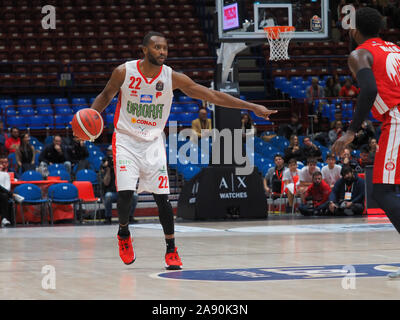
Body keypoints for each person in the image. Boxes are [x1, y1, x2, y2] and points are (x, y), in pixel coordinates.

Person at [88, 31, 277, 269]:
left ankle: (171, 249)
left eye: (165, 48)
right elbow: (105, 95)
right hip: (125, 139)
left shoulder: (172, 78)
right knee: (125, 194)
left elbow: (211, 95)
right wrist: (90, 118)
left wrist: (251, 107)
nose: (162, 52)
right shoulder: (124, 72)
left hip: (153, 141)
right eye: (157, 47)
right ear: (144, 49)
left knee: (162, 199)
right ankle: (123, 233)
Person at [331, 7, 400, 278]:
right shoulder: (395, 48)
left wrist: (350, 131)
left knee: (382, 192)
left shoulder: (359, 54)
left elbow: (369, 89)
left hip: (396, 117)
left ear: (354, 30)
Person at [100, 146, 137, 225]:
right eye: (110, 152)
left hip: (124, 190)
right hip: (113, 192)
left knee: (135, 195)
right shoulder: (106, 164)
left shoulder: (124, 164)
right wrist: (109, 170)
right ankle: (108, 217)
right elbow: (106, 182)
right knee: (108, 196)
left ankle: (130, 216)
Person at [0, 156, 24, 227]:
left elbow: (7, 188)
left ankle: (4, 219)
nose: (3, 164)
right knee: (4, 195)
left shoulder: (6, 173)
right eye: (1, 163)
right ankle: (13, 195)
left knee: (3, 196)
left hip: (3, 194)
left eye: (5, 162)